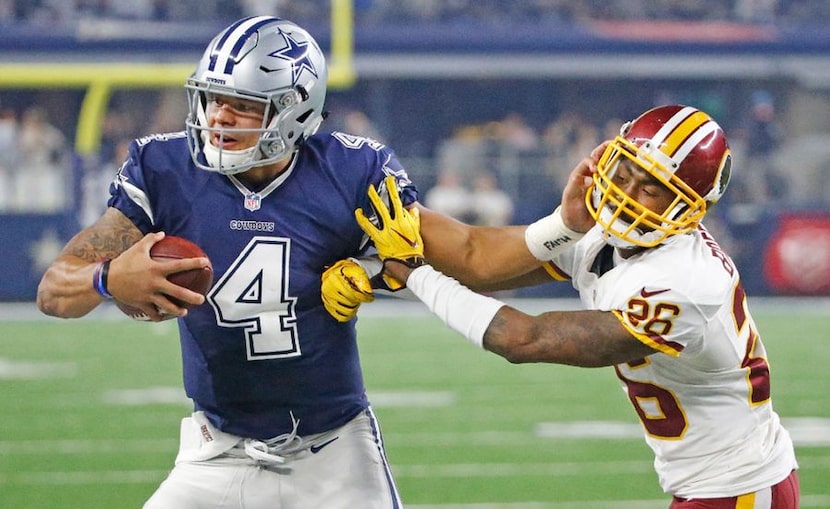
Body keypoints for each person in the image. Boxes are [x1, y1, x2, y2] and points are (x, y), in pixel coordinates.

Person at [36, 16, 561, 508]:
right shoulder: (164, 167)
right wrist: (107, 280)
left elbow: (471, 256)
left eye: (241, 105)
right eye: (212, 98)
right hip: (215, 448)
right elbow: (54, 290)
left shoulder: (352, 171)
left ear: (295, 111)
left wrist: (571, 234)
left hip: (332, 450)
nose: (218, 116)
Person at [345, 105, 801, 508]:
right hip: (712, 484)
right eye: (625, 171)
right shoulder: (605, 234)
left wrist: (415, 278)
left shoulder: (686, 284)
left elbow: (525, 339)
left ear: (687, 208)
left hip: (739, 487)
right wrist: (562, 223)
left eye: (651, 188)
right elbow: (479, 259)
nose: (626, 192)